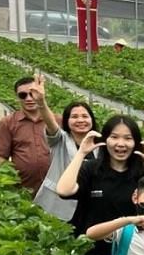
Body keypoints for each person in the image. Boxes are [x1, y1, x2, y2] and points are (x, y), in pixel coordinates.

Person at [56, 115, 144, 255]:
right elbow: (63, 190)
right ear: (104, 140)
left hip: (128, 251)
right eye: (114, 137)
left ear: (135, 143)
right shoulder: (91, 169)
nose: (121, 143)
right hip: (91, 252)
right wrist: (81, 153)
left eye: (128, 138)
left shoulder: (141, 174)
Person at [27, 75, 97, 221]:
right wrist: (41, 102)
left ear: (92, 120)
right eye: (75, 117)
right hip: (60, 205)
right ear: (67, 121)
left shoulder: (100, 144)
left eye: (85, 116)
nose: (80, 120)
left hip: (92, 205)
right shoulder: (61, 140)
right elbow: (51, 123)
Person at [0, 76, 52, 193]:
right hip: (23, 189)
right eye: (23, 95)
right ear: (17, 97)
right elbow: (0, 157)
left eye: (33, 94)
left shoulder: (56, 121)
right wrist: (10, 183)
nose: (28, 98)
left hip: (56, 189)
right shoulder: (8, 122)